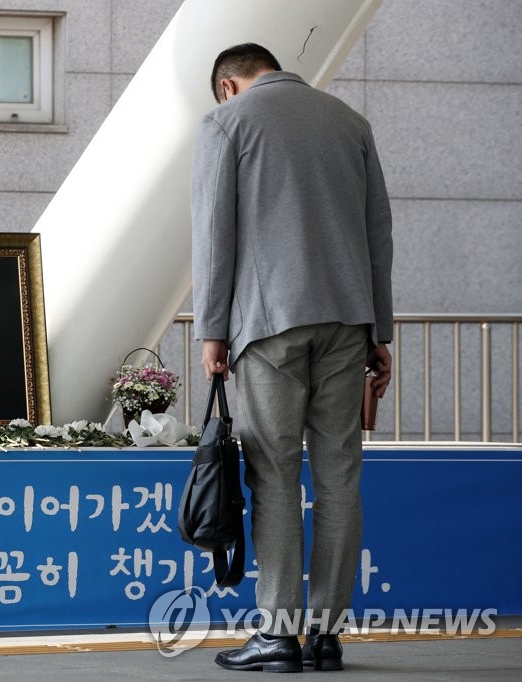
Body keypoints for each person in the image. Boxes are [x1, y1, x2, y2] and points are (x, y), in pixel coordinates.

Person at [190, 43, 393, 673]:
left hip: (268, 322)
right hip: (347, 321)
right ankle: (327, 635)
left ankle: (277, 635)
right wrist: (379, 330)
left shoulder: (228, 122)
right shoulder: (349, 122)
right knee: (339, 478)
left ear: (228, 85)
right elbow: (377, 231)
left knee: (274, 475)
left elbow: (214, 232)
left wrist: (212, 330)